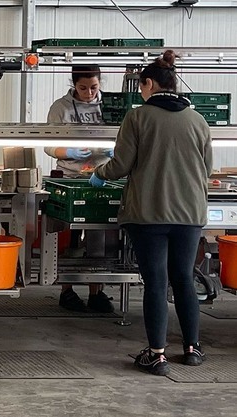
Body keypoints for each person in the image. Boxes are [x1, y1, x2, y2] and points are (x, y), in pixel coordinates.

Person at [90, 50, 212, 376]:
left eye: (141, 87)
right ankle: (192, 349)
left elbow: (121, 165)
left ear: (148, 84)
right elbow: (207, 169)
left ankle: (157, 355)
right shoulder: (198, 120)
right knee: (184, 278)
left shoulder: (138, 117)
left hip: (149, 213)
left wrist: (99, 173)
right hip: (189, 214)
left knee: (156, 282)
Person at [44, 64, 114, 313]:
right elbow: (48, 145)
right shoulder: (61, 108)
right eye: (83, 88)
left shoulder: (110, 106)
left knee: (99, 238)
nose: (89, 93)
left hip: (101, 177)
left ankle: (96, 292)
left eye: (94, 87)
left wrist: (114, 151)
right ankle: (67, 290)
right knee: (70, 237)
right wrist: (69, 151)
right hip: (70, 177)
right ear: (73, 84)